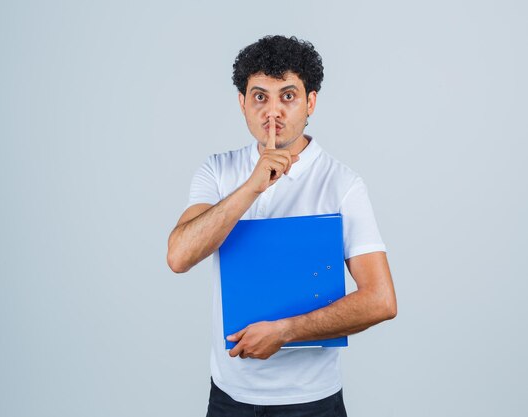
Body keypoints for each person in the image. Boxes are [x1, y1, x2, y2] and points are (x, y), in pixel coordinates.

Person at [167, 35, 397, 417]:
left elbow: (381, 300)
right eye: (260, 97)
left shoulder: (342, 183)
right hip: (229, 398)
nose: (272, 111)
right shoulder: (218, 170)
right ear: (242, 104)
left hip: (312, 402)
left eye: (287, 96)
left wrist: (285, 331)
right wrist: (253, 185)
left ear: (311, 103)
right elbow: (178, 257)